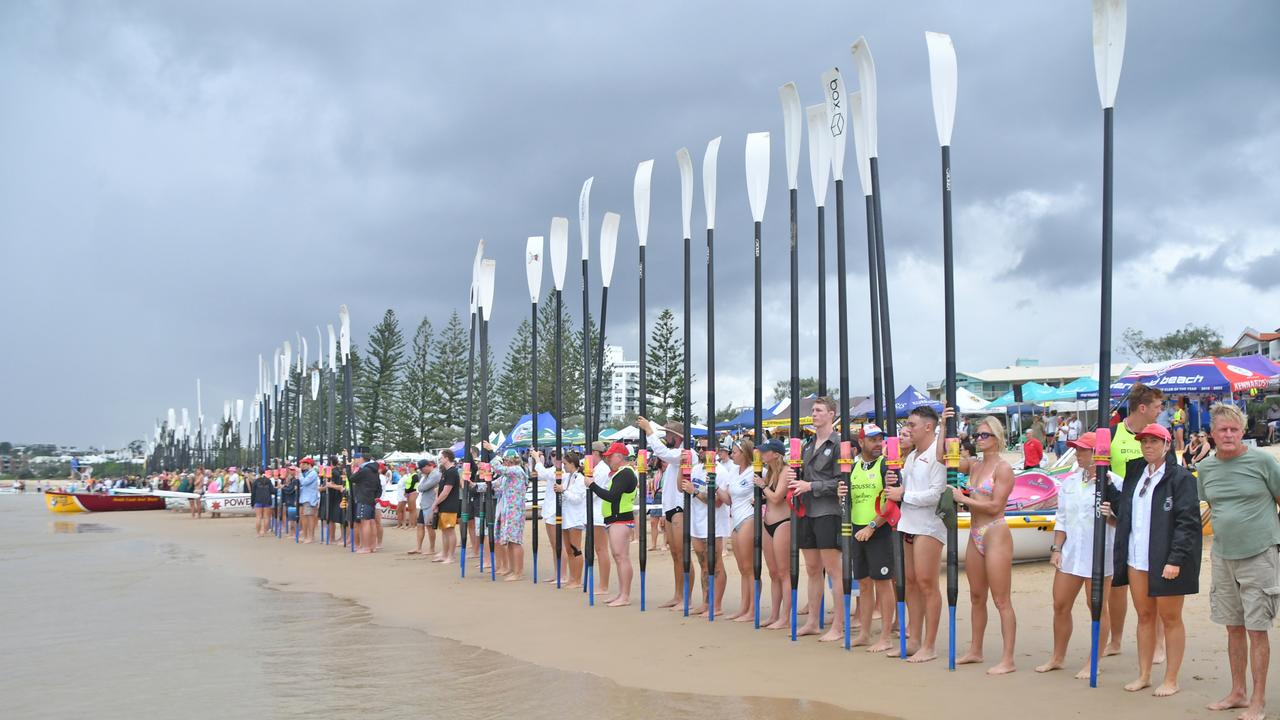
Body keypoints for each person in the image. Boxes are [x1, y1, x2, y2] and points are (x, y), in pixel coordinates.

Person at [1105, 423, 1202, 697]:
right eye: (1144, 441)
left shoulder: (1180, 478)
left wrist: (1175, 559)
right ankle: (1144, 674)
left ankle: (1171, 678)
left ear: (1167, 444)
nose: (1148, 446)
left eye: (1154, 442)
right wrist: (1110, 499)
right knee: (1144, 616)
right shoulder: (1136, 472)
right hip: (1137, 558)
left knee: (1171, 618)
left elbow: (1188, 523)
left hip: (1166, 560)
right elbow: (1127, 507)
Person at [1197, 403, 1280, 720]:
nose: (1228, 434)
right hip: (1222, 557)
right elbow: (1208, 504)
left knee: (1258, 630)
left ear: (1242, 431)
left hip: (1260, 555)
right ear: (1212, 434)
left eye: (1234, 429)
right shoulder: (1205, 469)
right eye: (1222, 429)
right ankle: (1238, 692)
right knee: (1233, 628)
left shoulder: (1262, 461)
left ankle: (1258, 701)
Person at [1035, 430, 1122, 677]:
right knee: (1060, 604)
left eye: (1083, 450)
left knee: (1096, 606)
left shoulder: (1113, 482)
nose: (1078, 454)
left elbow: (1122, 520)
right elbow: (1061, 518)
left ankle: (1093, 661)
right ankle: (1057, 656)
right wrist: (1056, 548)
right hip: (1072, 553)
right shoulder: (1070, 482)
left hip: (1100, 553)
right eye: (1077, 449)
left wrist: (1112, 516)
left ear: (1098, 454)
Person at [940, 411, 1018, 674]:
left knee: (1001, 599)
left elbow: (995, 505)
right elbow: (944, 458)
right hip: (976, 533)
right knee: (976, 596)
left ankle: (1008, 658)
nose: (979, 439)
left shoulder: (1003, 468)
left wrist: (962, 499)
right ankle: (976, 649)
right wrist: (943, 425)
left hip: (995, 531)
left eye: (985, 435)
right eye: (977, 435)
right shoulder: (974, 465)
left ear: (996, 438)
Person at [1105, 382, 1169, 658]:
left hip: (1150, 517)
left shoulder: (1159, 436)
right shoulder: (1112, 433)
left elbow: (1170, 476)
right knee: (1117, 583)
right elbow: (1103, 473)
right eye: (1157, 406)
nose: (1160, 411)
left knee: (1152, 582)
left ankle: (1158, 644)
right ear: (1142, 408)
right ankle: (1116, 641)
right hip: (1119, 515)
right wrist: (1112, 511)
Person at [883, 405, 947, 663]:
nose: (907, 429)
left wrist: (904, 495)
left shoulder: (936, 454)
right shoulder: (911, 456)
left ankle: (929, 645)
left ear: (928, 427)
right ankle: (915, 639)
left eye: (911, 425)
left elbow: (937, 493)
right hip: (908, 524)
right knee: (909, 583)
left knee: (926, 583)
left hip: (928, 527)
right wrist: (895, 486)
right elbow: (907, 489)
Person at [789, 397, 846, 642]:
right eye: (813, 410)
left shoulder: (839, 444)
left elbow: (841, 482)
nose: (814, 414)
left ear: (831, 414)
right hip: (807, 510)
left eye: (819, 410)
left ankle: (839, 624)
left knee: (834, 569)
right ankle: (812, 620)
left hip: (827, 511)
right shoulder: (808, 444)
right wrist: (797, 476)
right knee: (812, 569)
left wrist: (810, 484)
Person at [836, 424, 896, 652]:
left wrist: (872, 526)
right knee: (863, 583)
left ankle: (887, 637)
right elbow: (846, 501)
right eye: (873, 440)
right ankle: (864, 633)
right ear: (861, 443)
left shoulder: (885, 466)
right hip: (856, 530)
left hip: (878, 530)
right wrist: (838, 494)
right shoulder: (852, 467)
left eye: (880, 439)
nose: (878, 443)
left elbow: (891, 502)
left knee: (883, 583)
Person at [639, 417, 689, 609]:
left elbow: (664, 453)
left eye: (668, 434)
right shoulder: (675, 455)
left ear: (676, 436)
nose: (666, 437)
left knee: (682, 554)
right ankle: (678, 595)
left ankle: (686, 597)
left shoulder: (684, 452)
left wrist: (649, 431)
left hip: (678, 509)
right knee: (675, 554)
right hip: (670, 508)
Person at [586, 442, 639, 606]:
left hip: (620, 519)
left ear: (619, 456)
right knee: (619, 557)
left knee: (621, 556)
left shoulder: (625, 473)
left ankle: (625, 596)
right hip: (615, 519)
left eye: (610, 456)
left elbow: (612, 496)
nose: (608, 459)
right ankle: (622, 594)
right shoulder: (620, 473)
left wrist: (592, 485)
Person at [681, 441, 729, 616]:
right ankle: (706, 602)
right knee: (703, 564)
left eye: (704, 448)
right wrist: (682, 468)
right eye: (698, 448)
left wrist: (694, 492)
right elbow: (682, 487)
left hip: (714, 523)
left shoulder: (721, 472)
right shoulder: (695, 469)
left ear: (714, 452)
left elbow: (717, 502)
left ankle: (717, 605)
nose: (700, 451)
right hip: (697, 522)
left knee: (715, 564)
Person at [753, 439, 792, 629]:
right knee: (773, 572)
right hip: (768, 523)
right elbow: (769, 497)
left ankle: (785, 616)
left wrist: (762, 486)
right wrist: (761, 495)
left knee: (784, 572)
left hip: (783, 523)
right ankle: (775, 614)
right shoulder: (769, 472)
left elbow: (777, 498)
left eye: (765, 451)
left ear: (775, 454)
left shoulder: (785, 471)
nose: (762, 454)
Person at [723, 439, 757, 622]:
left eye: (735, 452)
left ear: (744, 453)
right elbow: (728, 498)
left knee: (749, 567)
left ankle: (752, 609)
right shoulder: (733, 471)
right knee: (742, 568)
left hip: (748, 517)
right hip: (735, 518)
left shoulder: (756, 470)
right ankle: (744, 607)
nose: (732, 455)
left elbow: (768, 484)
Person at [491, 449, 528, 580]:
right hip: (507, 510)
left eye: (506, 460)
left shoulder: (517, 470)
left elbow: (498, 468)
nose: (505, 463)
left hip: (515, 510)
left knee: (515, 540)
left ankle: (518, 572)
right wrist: (474, 486)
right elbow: (494, 484)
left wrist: (491, 452)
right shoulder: (508, 475)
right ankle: (513, 569)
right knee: (510, 542)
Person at [557, 451, 588, 588]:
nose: (563, 466)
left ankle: (578, 579)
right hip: (566, 517)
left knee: (576, 549)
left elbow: (577, 499)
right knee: (569, 549)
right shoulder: (567, 477)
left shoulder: (580, 479)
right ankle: (572, 577)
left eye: (565, 464)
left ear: (572, 463)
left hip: (575, 518)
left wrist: (563, 491)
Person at [588, 441, 613, 595]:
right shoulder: (596, 468)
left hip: (599, 513)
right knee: (598, 549)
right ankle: (602, 584)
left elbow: (595, 491)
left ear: (596, 453)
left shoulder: (602, 470)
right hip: (594, 512)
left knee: (601, 549)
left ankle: (604, 585)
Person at [429, 450, 461, 563]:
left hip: (450, 505)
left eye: (441, 458)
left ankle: (450, 556)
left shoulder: (452, 472)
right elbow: (441, 490)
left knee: (449, 530)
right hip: (444, 505)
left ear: (447, 458)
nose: (440, 460)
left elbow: (446, 491)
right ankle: (445, 553)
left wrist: (435, 502)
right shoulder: (446, 472)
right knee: (444, 530)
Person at [350, 453, 382, 554]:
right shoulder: (374, 470)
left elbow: (351, 478)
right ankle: (372, 546)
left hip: (364, 498)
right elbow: (379, 486)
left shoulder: (365, 470)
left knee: (365, 522)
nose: (354, 461)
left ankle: (367, 547)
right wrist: (376, 497)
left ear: (361, 459)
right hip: (370, 498)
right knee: (371, 522)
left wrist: (349, 467)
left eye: (355, 459)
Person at [410, 458, 440, 555]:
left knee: (429, 526)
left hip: (431, 503)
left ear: (427, 466)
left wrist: (421, 486)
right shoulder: (426, 475)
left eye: (422, 469)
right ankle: (418, 547)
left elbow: (422, 487)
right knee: (420, 525)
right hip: (425, 503)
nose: (421, 471)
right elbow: (420, 487)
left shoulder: (435, 474)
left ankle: (432, 548)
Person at [298, 457, 320, 543]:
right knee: (306, 517)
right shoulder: (308, 473)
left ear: (309, 465)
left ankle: (310, 537)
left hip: (309, 498)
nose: (301, 466)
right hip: (305, 497)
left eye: (303, 464)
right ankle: (307, 536)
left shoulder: (312, 473)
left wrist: (299, 474)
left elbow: (304, 482)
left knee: (310, 517)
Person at [251, 468, 273, 537]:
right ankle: (264, 532)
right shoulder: (268, 481)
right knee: (266, 517)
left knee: (258, 517)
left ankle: (258, 533)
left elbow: (253, 493)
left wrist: (252, 503)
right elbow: (272, 490)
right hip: (267, 500)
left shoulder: (256, 481)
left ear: (259, 474)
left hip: (258, 500)